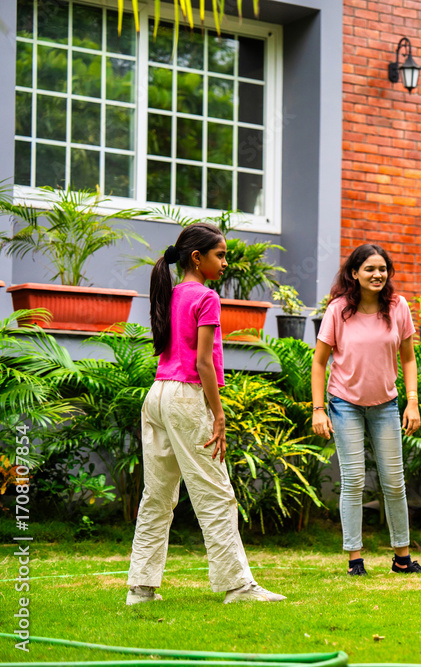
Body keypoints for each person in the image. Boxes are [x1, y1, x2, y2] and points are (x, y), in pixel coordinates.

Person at [127, 223, 285, 605]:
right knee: (216, 493)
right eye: (221, 254)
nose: (225, 262)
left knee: (158, 495)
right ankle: (238, 587)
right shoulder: (206, 297)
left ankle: (141, 589)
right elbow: (204, 363)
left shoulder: (171, 292)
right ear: (197, 258)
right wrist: (218, 414)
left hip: (157, 396)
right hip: (184, 398)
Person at [311, 243, 421, 576]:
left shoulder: (398, 306)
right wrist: (319, 409)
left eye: (383, 269)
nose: (377, 275)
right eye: (370, 269)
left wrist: (412, 401)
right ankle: (354, 559)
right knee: (354, 481)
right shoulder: (339, 309)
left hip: (386, 404)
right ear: (354, 273)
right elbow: (319, 362)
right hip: (344, 403)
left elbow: (408, 358)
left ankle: (402, 559)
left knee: (394, 482)